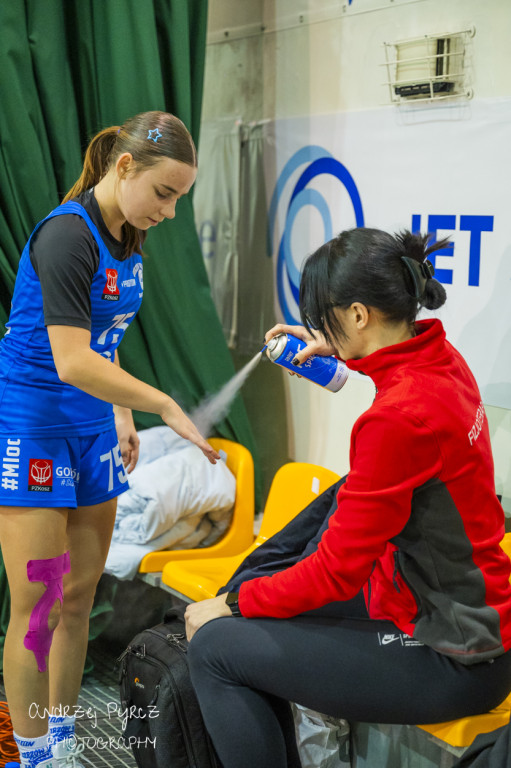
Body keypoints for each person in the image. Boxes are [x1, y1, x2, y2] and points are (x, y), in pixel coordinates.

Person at [184, 228, 511, 768]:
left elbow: (335, 573)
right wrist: (335, 352)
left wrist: (232, 605)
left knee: (216, 646)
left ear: (359, 314)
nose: (315, 328)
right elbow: (402, 392)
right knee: (248, 594)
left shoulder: (395, 420)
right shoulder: (441, 359)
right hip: (443, 606)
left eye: (324, 317)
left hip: (455, 657)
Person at [0, 110, 219, 768]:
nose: (171, 211)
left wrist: (121, 415)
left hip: (94, 427)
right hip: (37, 428)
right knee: (37, 603)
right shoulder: (69, 237)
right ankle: (34, 749)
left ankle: (61, 737)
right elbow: (69, 359)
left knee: (79, 595)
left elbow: (105, 341)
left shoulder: (130, 236)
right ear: (123, 168)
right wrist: (157, 404)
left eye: (179, 198)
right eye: (163, 193)